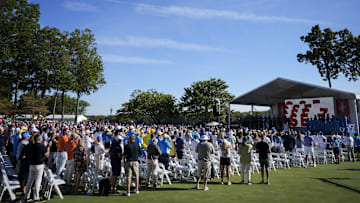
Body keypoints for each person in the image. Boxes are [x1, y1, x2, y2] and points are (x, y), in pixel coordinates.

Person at [25, 133, 51, 202]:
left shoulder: (32, 146)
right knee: (37, 182)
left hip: (32, 164)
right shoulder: (40, 146)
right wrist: (48, 147)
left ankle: (27, 196)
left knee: (30, 181)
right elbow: (47, 155)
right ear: (39, 139)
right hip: (39, 165)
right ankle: (36, 197)